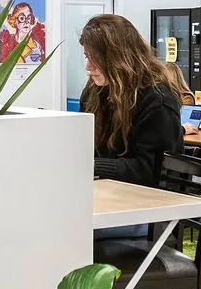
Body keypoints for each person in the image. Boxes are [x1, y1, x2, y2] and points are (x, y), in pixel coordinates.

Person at [78, 14, 184, 187]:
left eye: (95, 59)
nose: (89, 67)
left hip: (152, 202)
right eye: (87, 57)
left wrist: (92, 166)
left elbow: (150, 170)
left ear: (117, 58)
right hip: (109, 192)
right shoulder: (94, 93)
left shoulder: (157, 100)